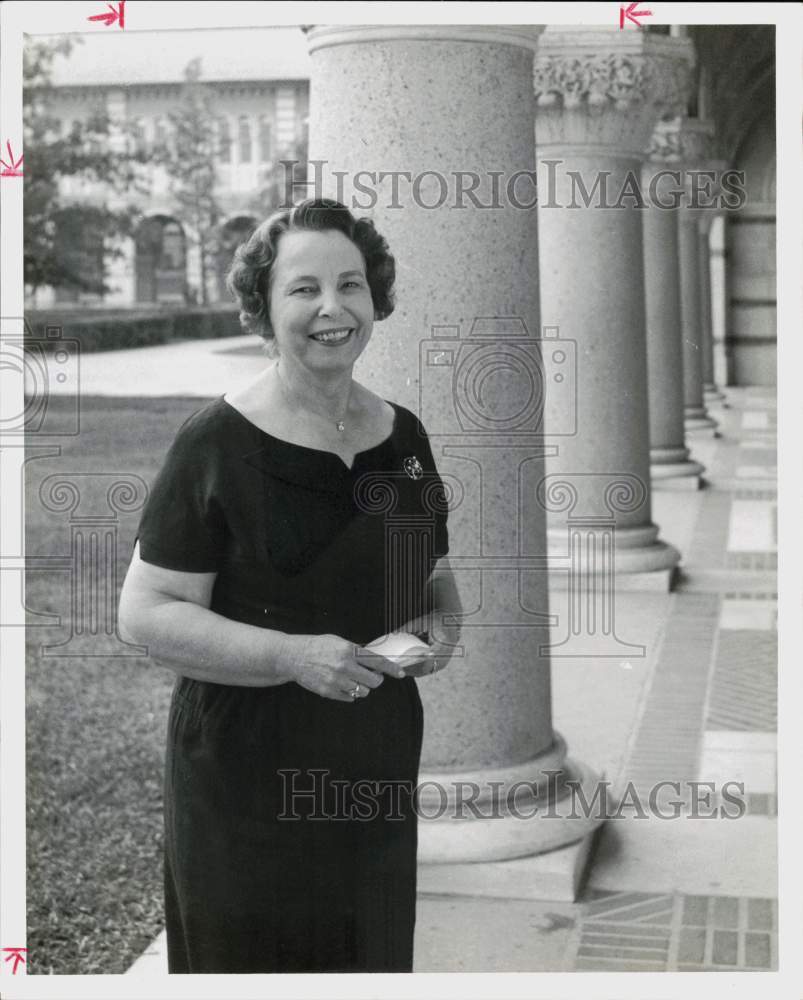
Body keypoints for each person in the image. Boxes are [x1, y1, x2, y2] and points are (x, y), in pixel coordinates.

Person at [118, 198, 462, 973]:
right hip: (246, 775)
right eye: (303, 289)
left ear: (375, 298)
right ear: (263, 309)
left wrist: (444, 622)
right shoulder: (215, 440)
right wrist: (295, 655)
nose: (331, 308)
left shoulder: (402, 433)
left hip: (372, 761)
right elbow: (143, 615)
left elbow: (433, 573)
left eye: (350, 285)